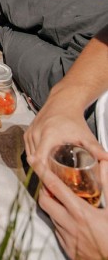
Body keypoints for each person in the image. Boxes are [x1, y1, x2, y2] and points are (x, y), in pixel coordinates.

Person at [24, 24, 108, 260]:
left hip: (91, 131)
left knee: (10, 42)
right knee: (12, 7)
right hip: (91, 80)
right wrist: (65, 100)